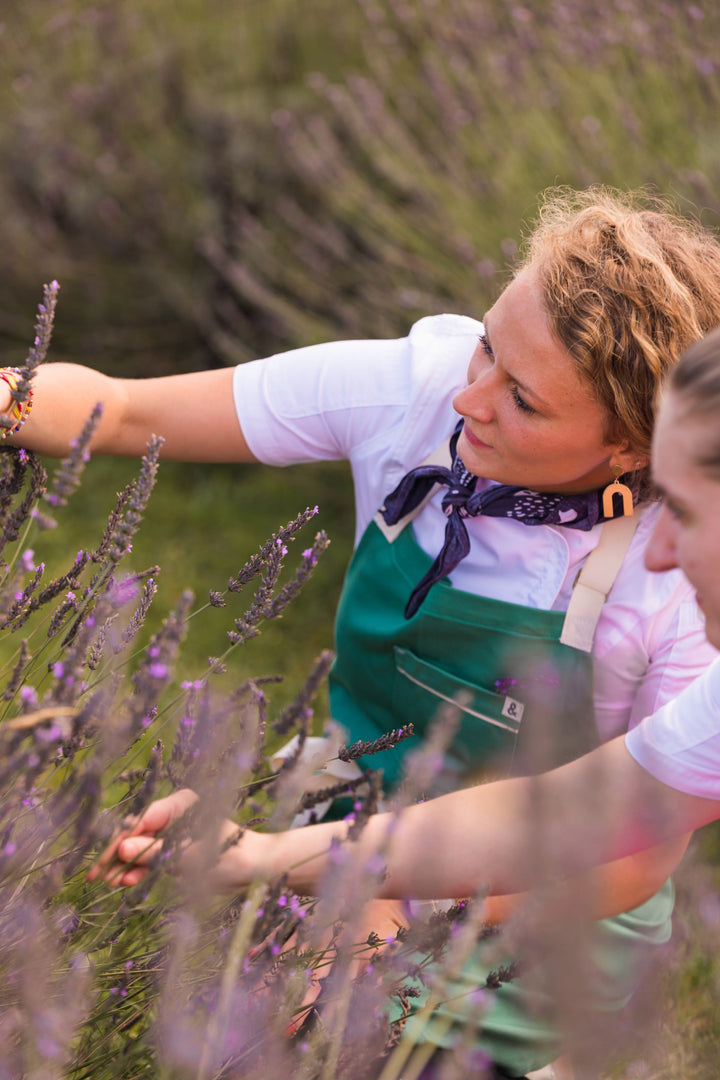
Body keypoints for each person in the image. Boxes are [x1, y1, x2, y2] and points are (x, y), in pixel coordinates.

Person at [8, 186, 720, 1077]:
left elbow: (633, 856)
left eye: (524, 402)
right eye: (488, 347)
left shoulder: (684, 566)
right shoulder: (420, 389)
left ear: (627, 444)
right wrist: (7, 404)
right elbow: (130, 410)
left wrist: (378, 890)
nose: (470, 401)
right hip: (354, 814)